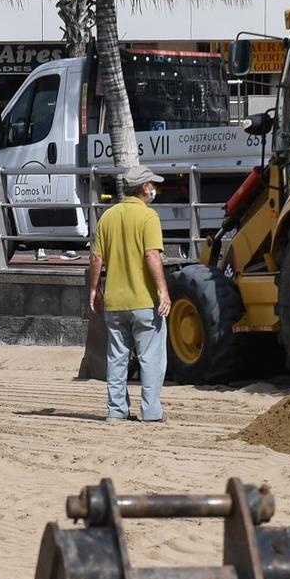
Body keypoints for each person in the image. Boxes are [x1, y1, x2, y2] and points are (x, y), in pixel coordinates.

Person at [87, 165, 172, 423]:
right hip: (144, 301)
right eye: (153, 185)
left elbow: (96, 258)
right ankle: (151, 411)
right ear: (144, 188)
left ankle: (116, 410)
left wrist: (94, 290)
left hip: (114, 302)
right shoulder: (148, 217)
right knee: (151, 358)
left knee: (116, 357)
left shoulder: (107, 217)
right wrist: (163, 291)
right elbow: (151, 255)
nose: (155, 189)